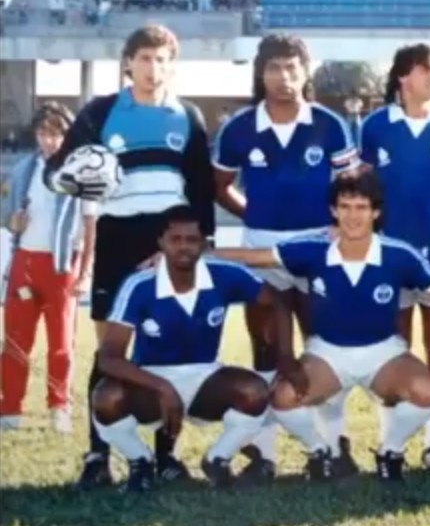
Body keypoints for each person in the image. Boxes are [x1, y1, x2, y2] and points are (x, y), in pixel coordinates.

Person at [210, 173, 430, 482]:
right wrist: (187, 256)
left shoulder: (399, 254)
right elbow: (249, 257)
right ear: (333, 211)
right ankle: (322, 452)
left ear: (376, 212)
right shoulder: (312, 249)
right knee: (283, 396)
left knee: (426, 392)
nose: (353, 216)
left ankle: (391, 450)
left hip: (384, 352)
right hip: (327, 353)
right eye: (345, 207)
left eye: (361, 207)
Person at [44, 25, 216, 489]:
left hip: (171, 240)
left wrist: (196, 246)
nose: (152, 68)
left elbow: (200, 190)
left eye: (162, 60)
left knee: (163, 348)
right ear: (127, 63)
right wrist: (76, 177)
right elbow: (56, 171)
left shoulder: (188, 116)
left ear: (172, 66)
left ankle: (165, 458)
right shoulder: (101, 112)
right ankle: (98, 457)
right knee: (109, 351)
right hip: (118, 236)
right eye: (144, 58)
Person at [212, 33, 357, 482]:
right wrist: (253, 211)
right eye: (274, 68)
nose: (284, 77)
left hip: (317, 252)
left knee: (324, 348)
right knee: (267, 350)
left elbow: (350, 188)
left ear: (306, 71)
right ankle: (264, 455)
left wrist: (336, 225)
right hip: (261, 254)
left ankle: (334, 448)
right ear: (261, 73)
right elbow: (221, 187)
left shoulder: (330, 124)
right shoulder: (238, 128)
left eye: (293, 67)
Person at [91, 205, 273, 492]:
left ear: (204, 243)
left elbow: (274, 300)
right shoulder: (139, 283)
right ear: (161, 242)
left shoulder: (224, 273)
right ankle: (140, 462)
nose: (183, 247)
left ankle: (217, 459)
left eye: (191, 240)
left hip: (205, 378)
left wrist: (280, 352)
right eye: (175, 239)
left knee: (255, 390)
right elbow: (108, 357)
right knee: (106, 396)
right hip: (150, 380)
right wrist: (162, 386)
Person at [357, 44, 430, 470]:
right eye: (427, 70)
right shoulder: (374, 127)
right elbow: (364, 187)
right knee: (395, 349)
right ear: (404, 76)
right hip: (389, 251)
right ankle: (393, 443)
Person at [0, 103, 96, 433]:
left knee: (61, 345)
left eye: (56, 133)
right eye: (43, 133)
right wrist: (11, 221)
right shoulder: (23, 169)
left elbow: (90, 225)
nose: (49, 140)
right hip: (25, 260)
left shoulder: (81, 172)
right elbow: (6, 214)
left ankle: (59, 408)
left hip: (61, 264)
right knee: (14, 341)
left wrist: (84, 272)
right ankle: (9, 409)